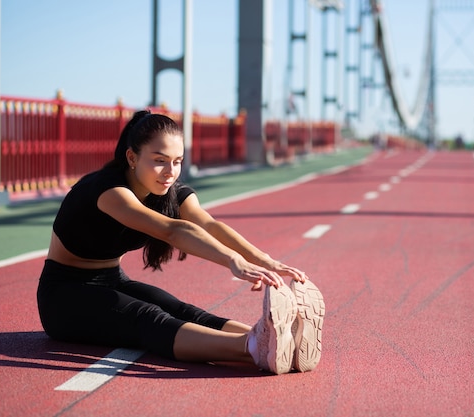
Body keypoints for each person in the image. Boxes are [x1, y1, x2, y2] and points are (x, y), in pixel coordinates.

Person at [37, 110, 325, 374]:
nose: (170, 172)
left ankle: (276, 340)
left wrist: (264, 260)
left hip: (112, 279)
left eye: (177, 162)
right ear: (132, 157)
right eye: (159, 161)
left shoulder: (168, 191)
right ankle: (253, 347)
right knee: (147, 317)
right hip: (64, 295)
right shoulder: (109, 191)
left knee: (180, 309)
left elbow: (209, 224)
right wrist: (232, 261)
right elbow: (173, 231)